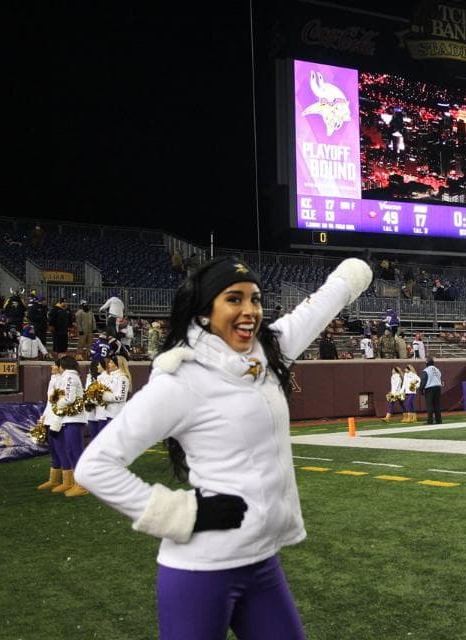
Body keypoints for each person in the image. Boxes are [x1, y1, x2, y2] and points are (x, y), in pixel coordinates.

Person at [75, 255, 371, 639]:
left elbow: (312, 313)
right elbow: (95, 466)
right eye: (234, 299)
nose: (250, 310)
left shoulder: (265, 351)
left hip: (261, 561)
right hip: (200, 569)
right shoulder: (181, 379)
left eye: (255, 299)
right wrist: (183, 513)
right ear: (204, 311)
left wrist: (349, 279)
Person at [50, 356, 89, 497]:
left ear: (63, 366)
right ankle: (74, 483)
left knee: (75, 451)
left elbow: (69, 399)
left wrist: (57, 404)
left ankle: (82, 486)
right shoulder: (68, 376)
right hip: (69, 419)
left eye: (59, 365)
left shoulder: (70, 376)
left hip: (74, 419)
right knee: (70, 450)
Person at [36, 361, 65, 491]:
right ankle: (54, 479)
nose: (51, 367)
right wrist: (44, 416)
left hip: (57, 419)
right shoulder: (53, 379)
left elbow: (60, 402)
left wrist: (56, 418)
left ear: (60, 367)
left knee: (60, 449)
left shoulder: (63, 380)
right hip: (49, 418)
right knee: (53, 449)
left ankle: (68, 480)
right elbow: (49, 402)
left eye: (54, 365)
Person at [422, 357, 443, 425]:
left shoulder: (426, 370)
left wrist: (421, 389)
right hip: (438, 388)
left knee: (429, 405)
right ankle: (439, 420)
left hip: (429, 388)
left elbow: (423, 381)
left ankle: (430, 420)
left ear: (427, 363)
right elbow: (440, 378)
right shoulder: (437, 370)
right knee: (437, 405)